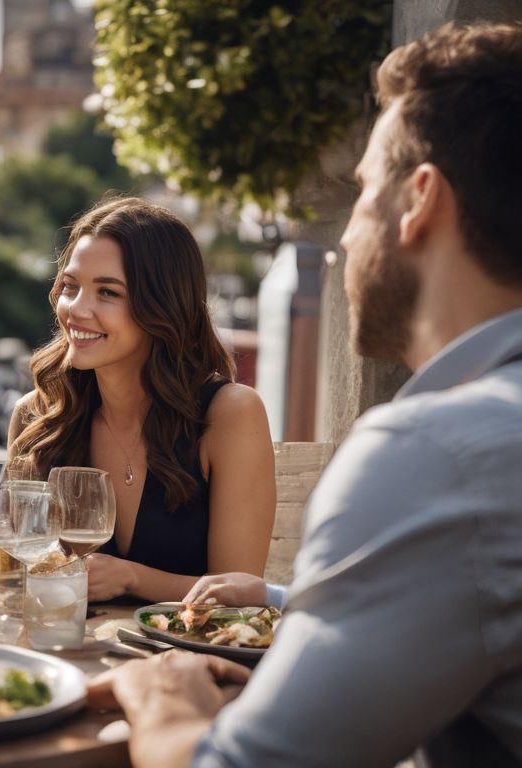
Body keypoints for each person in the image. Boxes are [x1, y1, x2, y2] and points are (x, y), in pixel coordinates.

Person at [95, 22, 522, 767]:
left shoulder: (436, 452)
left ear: (419, 200)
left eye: (362, 192)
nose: (347, 236)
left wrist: (160, 697)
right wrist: (281, 600)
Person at [7, 197, 274, 603]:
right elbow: (13, 575)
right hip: (61, 655)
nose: (76, 310)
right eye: (70, 287)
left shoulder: (230, 415)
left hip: (186, 661)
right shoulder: (38, 416)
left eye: (108, 293)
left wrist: (133, 579)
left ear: (162, 304)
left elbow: (240, 596)